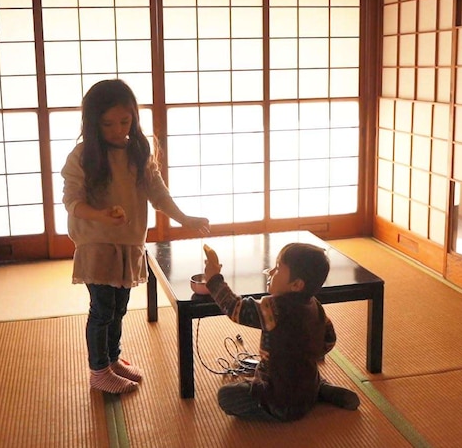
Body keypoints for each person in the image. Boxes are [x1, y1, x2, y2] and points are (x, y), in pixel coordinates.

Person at [62, 79, 210, 394]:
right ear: (93, 122)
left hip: (130, 243)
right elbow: (72, 202)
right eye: (108, 123)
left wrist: (184, 218)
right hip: (96, 244)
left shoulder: (139, 151)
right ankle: (99, 370)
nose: (118, 129)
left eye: (125, 121)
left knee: (119, 307)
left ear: (134, 117)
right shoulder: (82, 156)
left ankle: (112, 360)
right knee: (102, 309)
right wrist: (101, 215)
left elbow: (158, 192)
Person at [203, 242, 360, 421]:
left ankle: (291, 405)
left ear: (296, 285)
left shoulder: (273, 308)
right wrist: (303, 356)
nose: (270, 272)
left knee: (226, 395)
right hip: (307, 387)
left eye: (277, 268)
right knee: (304, 373)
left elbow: (235, 308)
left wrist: (214, 279)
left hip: (279, 402)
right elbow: (329, 340)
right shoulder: (315, 305)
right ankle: (321, 390)